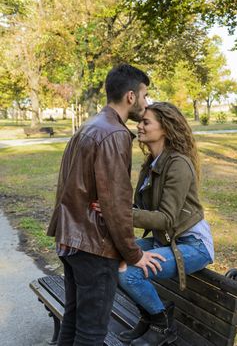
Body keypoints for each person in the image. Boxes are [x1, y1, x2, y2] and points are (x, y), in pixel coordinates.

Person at [47, 64, 162, 346]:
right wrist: (134, 255)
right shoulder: (115, 134)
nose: (146, 104)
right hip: (93, 246)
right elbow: (115, 205)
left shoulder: (90, 125)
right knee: (92, 332)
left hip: (71, 240)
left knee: (73, 320)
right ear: (131, 97)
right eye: (145, 96)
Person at [114, 102, 214, 346]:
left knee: (129, 273)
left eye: (146, 122)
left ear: (166, 129)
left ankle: (162, 324)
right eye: (140, 121)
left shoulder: (178, 164)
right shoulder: (151, 163)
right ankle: (149, 317)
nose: (139, 126)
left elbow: (166, 219)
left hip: (193, 245)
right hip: (165, 240)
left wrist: (119, 213)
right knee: (111, 256)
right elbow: (142, 210)